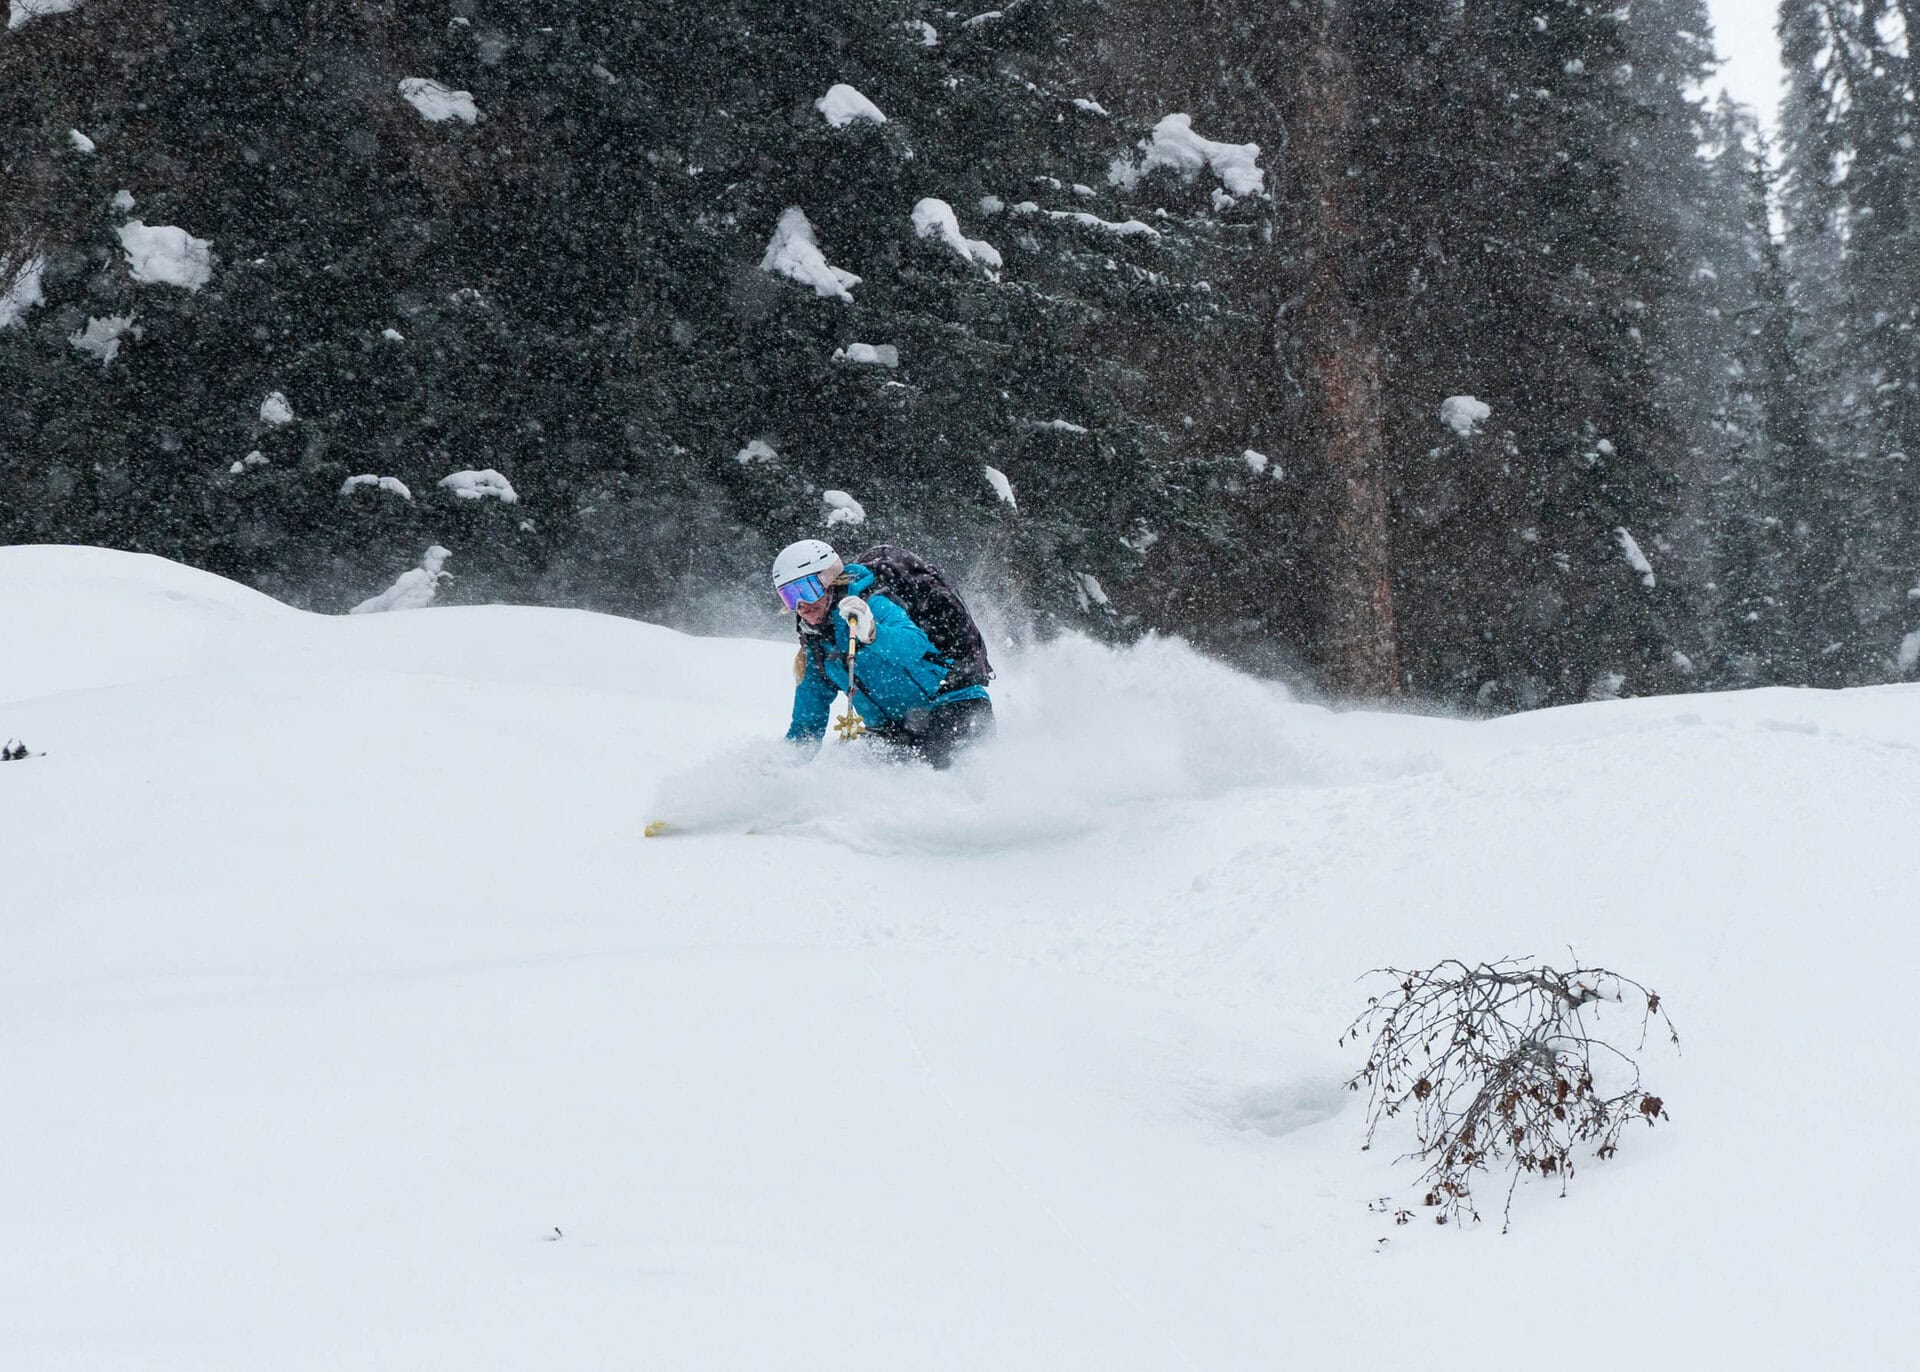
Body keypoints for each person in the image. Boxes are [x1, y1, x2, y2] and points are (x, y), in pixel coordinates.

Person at [773, 539, 994, 768]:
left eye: (806, 590)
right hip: (891, 731)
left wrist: (872, 633)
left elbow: (913, 646)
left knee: (940, 777)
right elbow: (806, 728)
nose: (801, 605)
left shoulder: (873, 603)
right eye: (789, 596)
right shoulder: (816, 648)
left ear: (829, 580)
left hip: (951, 704)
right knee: (861, 783)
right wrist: (778, 768)